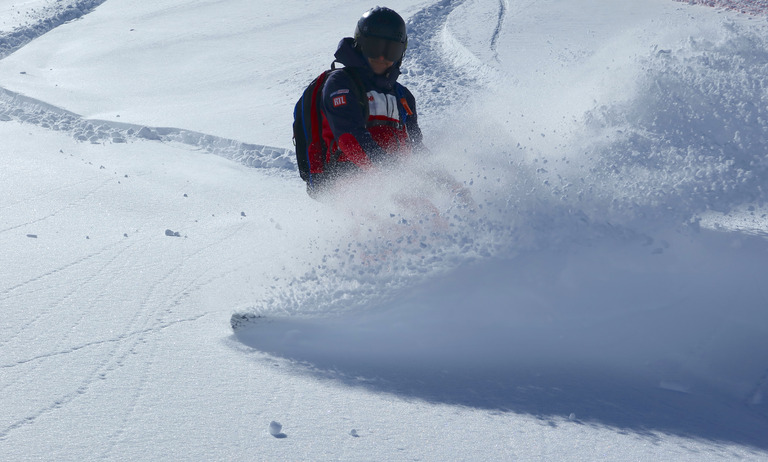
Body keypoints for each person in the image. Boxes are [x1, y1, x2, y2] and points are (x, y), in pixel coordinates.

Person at [318, 6, 424, 191]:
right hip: (351, 184)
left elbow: (416, 148)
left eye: (391, 51)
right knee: (420, 212)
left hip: (396, 183)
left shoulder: (403, 96)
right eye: (374, 48)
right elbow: (350, 139)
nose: (382, 57)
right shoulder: (342, 83)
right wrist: (394, 175)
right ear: (360, 45)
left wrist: (447, 182)